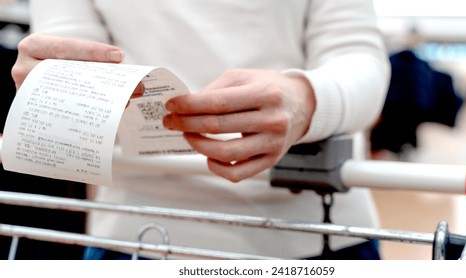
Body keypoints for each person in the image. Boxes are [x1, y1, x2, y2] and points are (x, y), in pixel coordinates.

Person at [11, 0, 390, 259]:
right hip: (134, 238)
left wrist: (306, 100)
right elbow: (66, 45)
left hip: (320, 234)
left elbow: (359, 56)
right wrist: (52, 82)